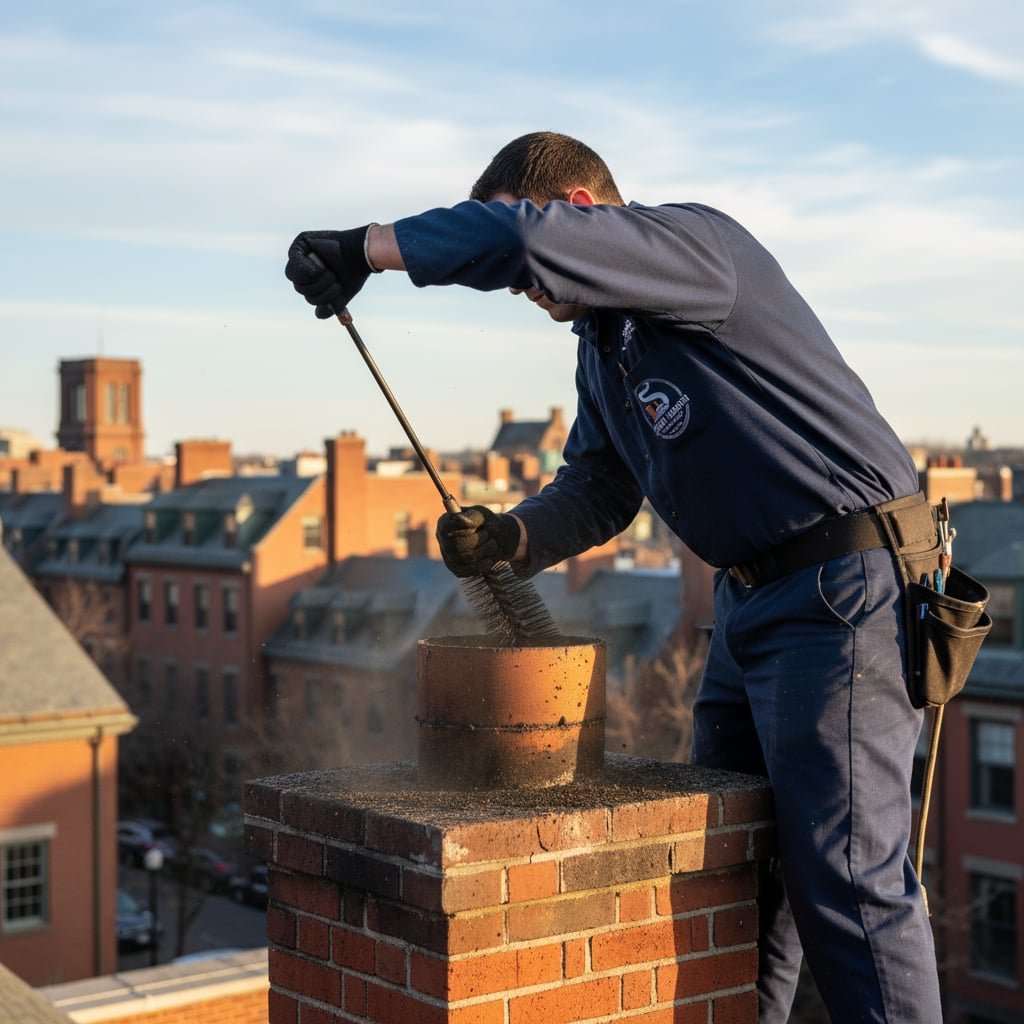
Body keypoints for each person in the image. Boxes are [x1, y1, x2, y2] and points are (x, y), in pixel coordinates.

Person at [285, 131, 942, 1022]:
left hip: (842, 588)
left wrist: (365, 249)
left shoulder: (695, 247)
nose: (521, 288)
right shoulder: (605, 346)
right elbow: (599, 487)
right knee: (739, 860)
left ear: (583, 213)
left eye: (529, 263)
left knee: (850, 880)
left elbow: (523, 239)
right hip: (750, 602)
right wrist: (510, 537)